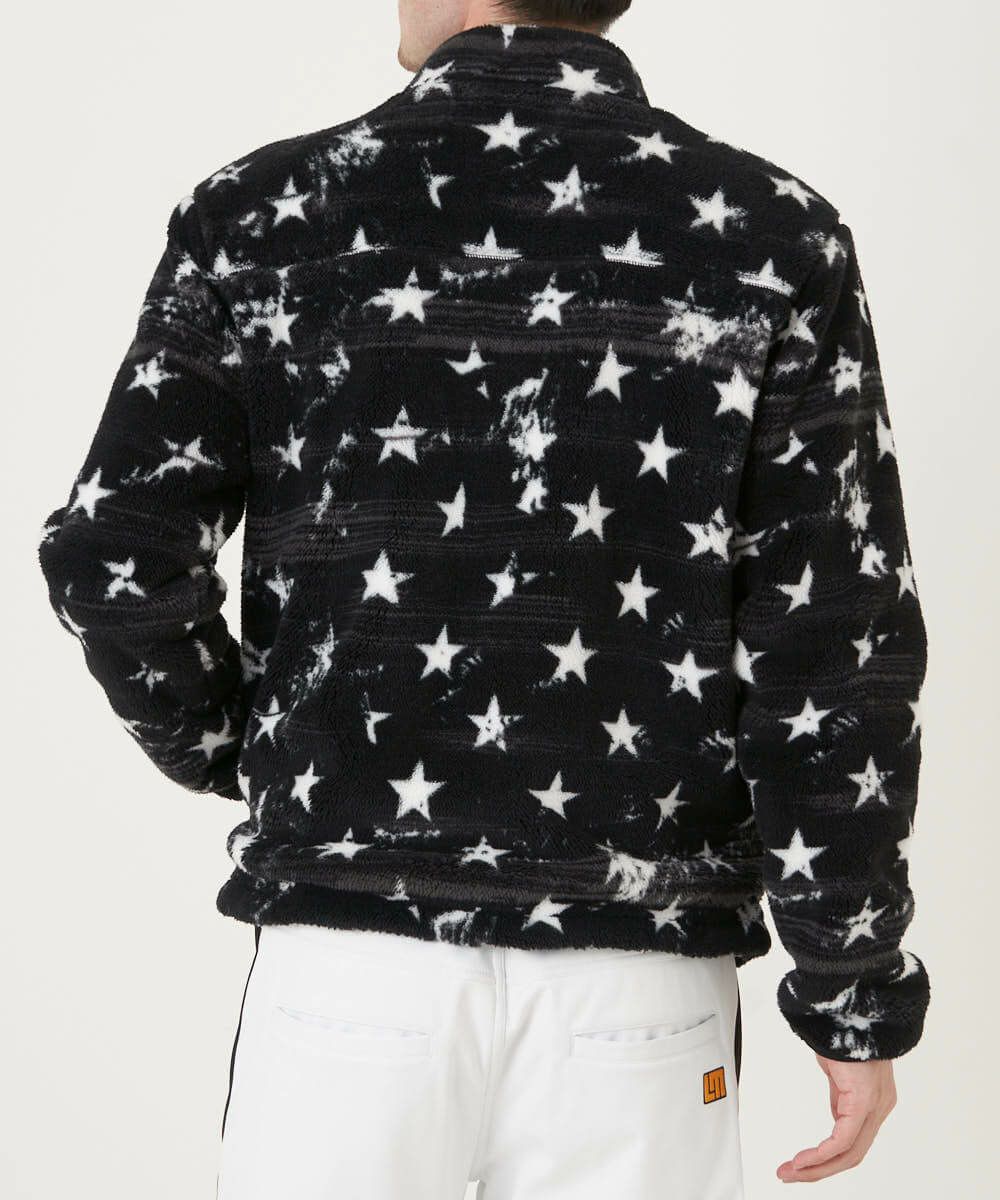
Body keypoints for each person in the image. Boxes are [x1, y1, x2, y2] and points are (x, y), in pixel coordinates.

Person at [36, 0, 930, 1195]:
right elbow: (834, 642)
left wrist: (240, 747)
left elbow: (115, 555)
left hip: (350, 963)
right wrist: (849, 986)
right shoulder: (776, 233)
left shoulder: (259, 214)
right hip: (640, 978)